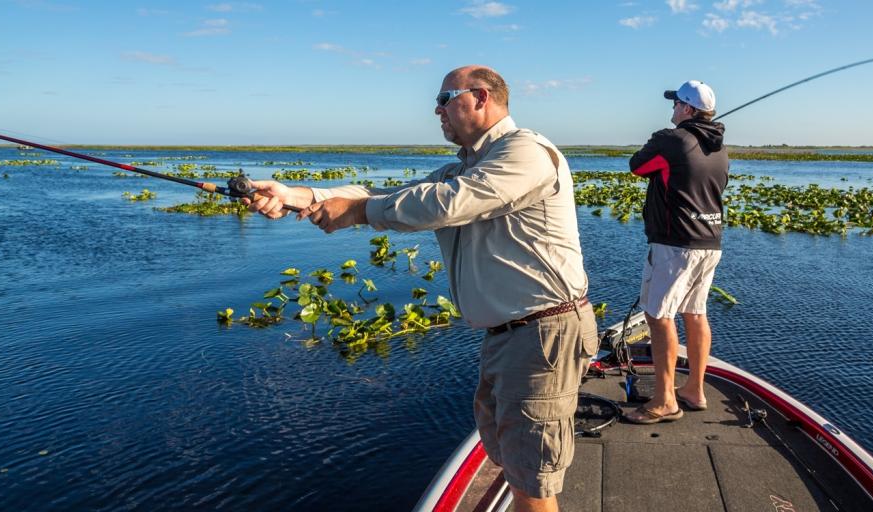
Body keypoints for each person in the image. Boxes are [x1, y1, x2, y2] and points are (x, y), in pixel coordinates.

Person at [243, 65, 597, 512]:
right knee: (514, 465)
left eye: (444, 98)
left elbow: (450, 202)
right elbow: (384, 192)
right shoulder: (464, 166)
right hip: (510, 336)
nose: (436, 109)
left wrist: (357, 212)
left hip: (543, 334)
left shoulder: (525, 151)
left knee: (532, 481)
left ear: (481, 97)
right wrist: (302, 195)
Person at [623, 80, 729, 424]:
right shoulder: (721, 149)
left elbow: (637, 166)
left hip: (674, 244)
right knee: (695, 313)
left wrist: (658, 139)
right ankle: (694, 390)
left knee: (658, 315)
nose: (671, 111)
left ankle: (665, 400)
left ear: (686, 109)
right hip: (709, 243)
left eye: (675, 105)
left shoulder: (671, 139)